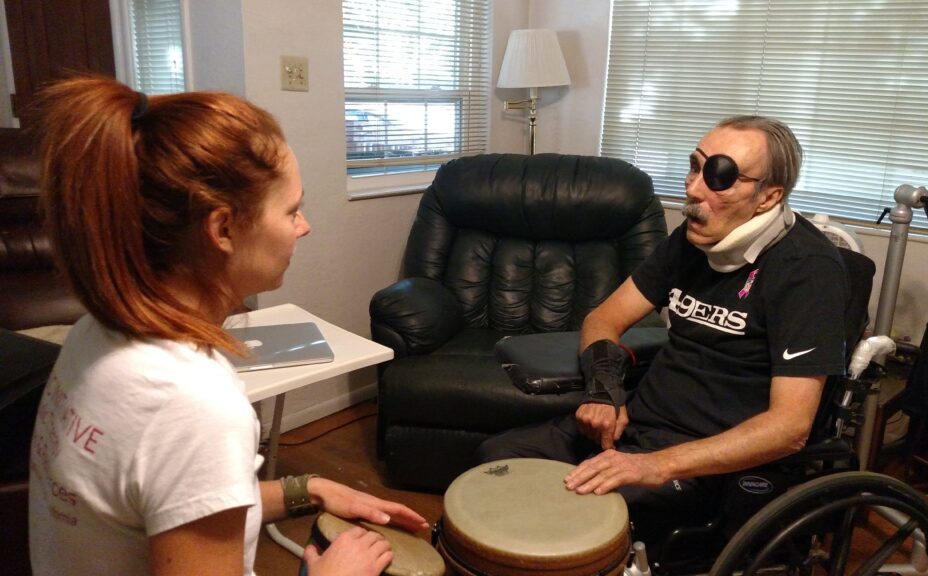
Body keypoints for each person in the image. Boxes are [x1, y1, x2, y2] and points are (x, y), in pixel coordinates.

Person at [27, 75, 428, 576]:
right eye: (292, 210)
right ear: (222, 229)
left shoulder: (96, 332)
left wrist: (308, 488)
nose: (304, 227)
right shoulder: (191, 403)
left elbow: (165, 496)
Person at [477, 115, 850, 543]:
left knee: (569, 518)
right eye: (695, 166)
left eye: (719, 177)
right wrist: (604, 390)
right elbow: (605, 318)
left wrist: (658, 464)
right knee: (497, 461)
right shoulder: (692, 241)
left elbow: (789, 428)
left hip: (706, 462)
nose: (693, 188)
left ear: (768, 197)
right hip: (637, 427)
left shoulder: (807, 272)